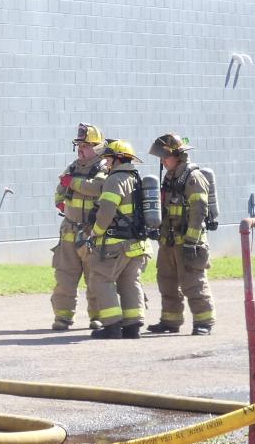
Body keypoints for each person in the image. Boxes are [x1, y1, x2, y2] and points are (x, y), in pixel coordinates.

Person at [146, 133, 217, 336]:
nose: (162, 161)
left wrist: (191, 242)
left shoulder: (193, 177)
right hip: (168, 243)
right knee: (166, 282)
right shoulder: (170, 176)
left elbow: (199, 210)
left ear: (178, 155)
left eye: (164, 157)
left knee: (193, 283)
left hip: (189, 243)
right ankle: (170, 321)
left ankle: (204, 322)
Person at [86, 140, 151, 339]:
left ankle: (112, 325)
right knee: (130, 281)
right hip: (136, 245)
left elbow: (106, 211)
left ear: (118, 158)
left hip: (115, 245)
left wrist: (95, 232)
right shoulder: (136, 178)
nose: (105, 163)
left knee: (101, 280)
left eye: (108, 158)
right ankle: (132, 325)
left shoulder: (115, 180)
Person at [50, 123, 108, 331]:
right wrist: (60, 200)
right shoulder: (73, 166)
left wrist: (71, 182)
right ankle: (62, 318)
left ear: (98, 147)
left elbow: (96, 188)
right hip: (69, 230)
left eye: (85, 146)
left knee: (95, 278)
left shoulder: (104, 167)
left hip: (90, 233)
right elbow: (60, 187)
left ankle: (98, 317)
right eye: (78, 145)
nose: (80, 150)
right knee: (64, 276)